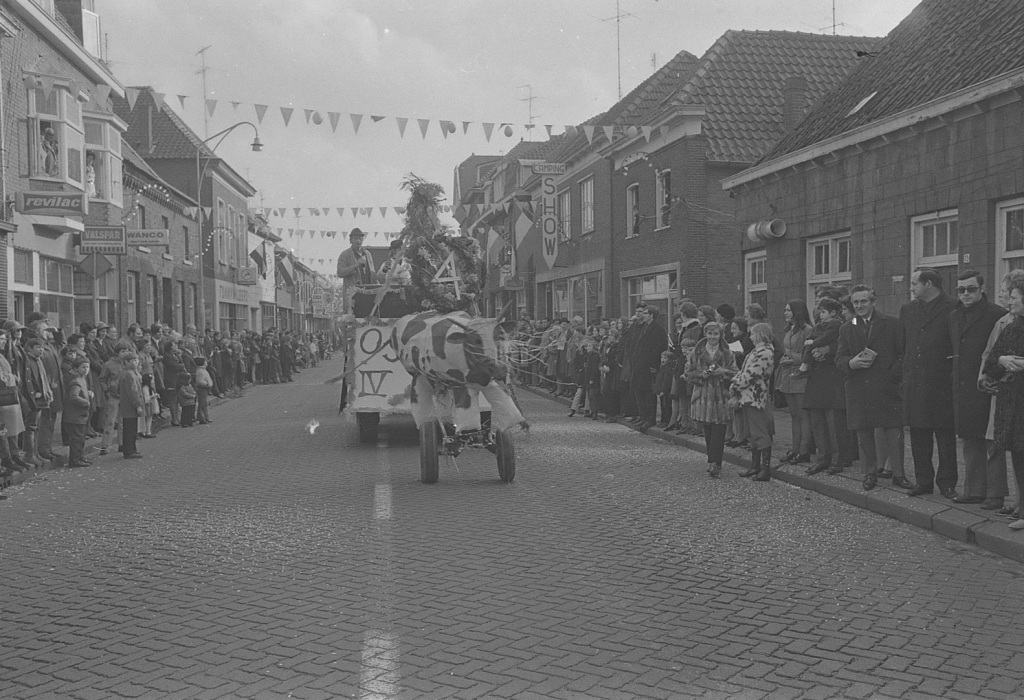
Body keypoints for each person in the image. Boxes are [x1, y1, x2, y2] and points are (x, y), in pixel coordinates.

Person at [836, 285, 910, 492]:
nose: (859, 306)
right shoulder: (847, 327)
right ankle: (870, 473)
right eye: (856, 302)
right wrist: (851, 363)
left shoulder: (892, 323)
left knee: (894, 431)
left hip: (887, 387)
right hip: (859, 387)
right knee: (864, 434)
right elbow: (839, 358)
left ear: (873, 302)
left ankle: (899, 475)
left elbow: (903, 354)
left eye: (863, 301)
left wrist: (892, 375)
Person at [948, 270, 1009, 508]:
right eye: (961, 290)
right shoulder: (954, 316)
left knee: (992, 440)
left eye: (971, 289)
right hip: (964, 384)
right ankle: (974, 490)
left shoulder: (996, 314)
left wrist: (994, 376)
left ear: (982, 289)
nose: (965, 294)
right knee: (969, 438)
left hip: (989, 383)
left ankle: (995, 494)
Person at [899, 267, 958, 498]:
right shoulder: (908, 309)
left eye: (914, 283)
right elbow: (903, 345)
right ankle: (923, 481)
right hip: (915, 382)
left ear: (929, 284)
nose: (911, 288)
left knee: (945, 436)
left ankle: (947, 483)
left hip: (942, 382)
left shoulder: (953, 307)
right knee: (918, 435)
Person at [981, 275, 1024, 531]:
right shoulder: (1010, 328)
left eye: (1014, 298)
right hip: (1013, 404)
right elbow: (990, 361)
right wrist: (1002, 361)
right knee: (1019, 455)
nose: (1010, 302)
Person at [685, 321, 737, 477]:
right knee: (708, 429)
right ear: (705, 334)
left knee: (719, 430)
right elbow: (688, 374)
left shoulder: (728, 353)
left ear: (721, 335)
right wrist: (702, 375)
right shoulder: (696, 352)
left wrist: (723, 372)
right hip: (703, 396)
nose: (713, 337)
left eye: (716, 334)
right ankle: (711, 460)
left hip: (721, 396)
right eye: (710, 333)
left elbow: (736, 373)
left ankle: (716, 463)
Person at [802, 298, 846, 475]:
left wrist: (827, 350)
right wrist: (812, 353)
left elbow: (844, 344)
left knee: (834, 424)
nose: (820, 315)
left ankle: (837, 460)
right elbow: (808, 343)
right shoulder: (817, 328)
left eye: (823, 311)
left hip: (833, 378)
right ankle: (822, 459)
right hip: (816, 378)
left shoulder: (844, 324)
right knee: (818, 422)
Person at [730, 323, 776, 481]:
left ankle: (765, 469)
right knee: (751, 432)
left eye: (752, 334)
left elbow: (751, 374)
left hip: (755, 396)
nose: (750, 337)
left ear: (760, 334)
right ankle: (755, 466)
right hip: (748, 395)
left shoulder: (764, 352)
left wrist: (734, 384)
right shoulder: (758, 351)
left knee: (759, 432)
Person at [777, 299, 814, 465]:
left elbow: (808, 355)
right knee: (793, 415)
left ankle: (804, 451)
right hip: (788, 376)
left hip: (800, 376)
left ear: (797, 312)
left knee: (803, 415)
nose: (785, 313)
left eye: (788, 310)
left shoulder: (807, 330)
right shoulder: (789, 329)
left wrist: (791, 359)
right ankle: (795, 448)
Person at [631, 306, 668, 432]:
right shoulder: (643, 327)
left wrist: (653, 364)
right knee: (640, 391)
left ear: (652, 315)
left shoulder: (658, 329)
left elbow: (660, 347)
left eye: (646, 313)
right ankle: (643, 416)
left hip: (649, 366)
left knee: (648, 393)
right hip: (640, 365)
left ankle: (650, 419)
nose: (643, 315)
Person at [0, 329, 27, 473]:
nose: (4, 342)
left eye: (5, 339)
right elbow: (2, 379)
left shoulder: (2, 355)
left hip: (8, 397)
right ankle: (6, 457)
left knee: (11, 428)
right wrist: (13, 378)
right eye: (1, 339)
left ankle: (13, 455)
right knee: (4, 429)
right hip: (4, 397)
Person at [336, 228, 375, 310]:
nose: (358, 241)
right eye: (355, 238)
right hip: (353, 294)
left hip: (368, 293)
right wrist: (355, 265)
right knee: (353, 315)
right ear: (351, 240)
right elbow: (340, 272)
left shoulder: (367, 254)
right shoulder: (345, 254)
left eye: (360, 238)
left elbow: (372, 273)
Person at [64, 356, 92, 468]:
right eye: (83, 367)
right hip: (75, 415)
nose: (86, 370)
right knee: (76, 439)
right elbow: (74, 397)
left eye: (87, 367)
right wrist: (86, 402)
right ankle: (75, 460)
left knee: (81, 438)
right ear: (76, 368)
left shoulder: (81, 379)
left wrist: (87, 393)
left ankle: (80, 457)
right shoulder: (75, 381)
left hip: (81, 415)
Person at [118, 352, 144, 459]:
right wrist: (138, 405)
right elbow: (132, 391)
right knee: (130, 429)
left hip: (128, 405)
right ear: (126, 362)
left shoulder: (131, 372)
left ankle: (131, 450)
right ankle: (129, 451)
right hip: (130, 406)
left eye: (136, 360)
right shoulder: (129, 374)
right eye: (133, 360)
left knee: (131, 428)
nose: (136, 362)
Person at [653, 350, 676, 428]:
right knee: (663, 405)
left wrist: (663, 390)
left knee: (666, 406)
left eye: (665, 358)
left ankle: (666, 421)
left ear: (669, 360)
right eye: (662, 358)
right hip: (661, 390)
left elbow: (666, 381)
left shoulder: (668, 368)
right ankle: (663, 420)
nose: (663, 360)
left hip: (666, 391)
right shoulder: (662, 367)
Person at [194, 356, 213, 425]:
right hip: (202, 388)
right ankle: (202, 418)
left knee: (204, 404)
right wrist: (207, 384)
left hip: (205, 388)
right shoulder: (200, 371)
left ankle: (205, 417)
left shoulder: (203, 370)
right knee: (202, 404)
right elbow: (199, 381)